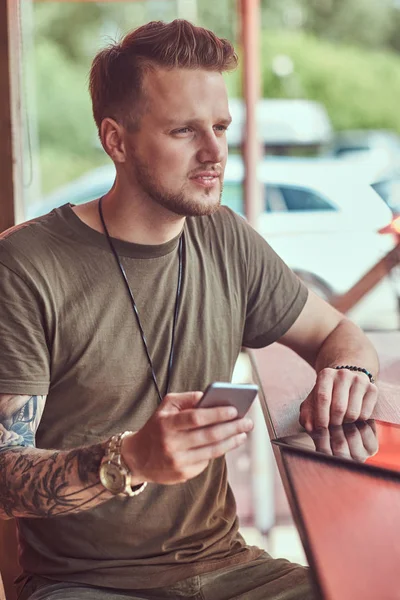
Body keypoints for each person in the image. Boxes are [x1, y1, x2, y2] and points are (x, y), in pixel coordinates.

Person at [0, 19, 379, 600]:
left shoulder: (225, 236)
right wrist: (129, 460)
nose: (214, 153)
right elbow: (4, 474)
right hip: (88, 584)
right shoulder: (26, 263)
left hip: (231, 568)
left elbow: (339, 333)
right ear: (116, 140)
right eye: (183, 131)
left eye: (221, 128)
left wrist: (350, 372)